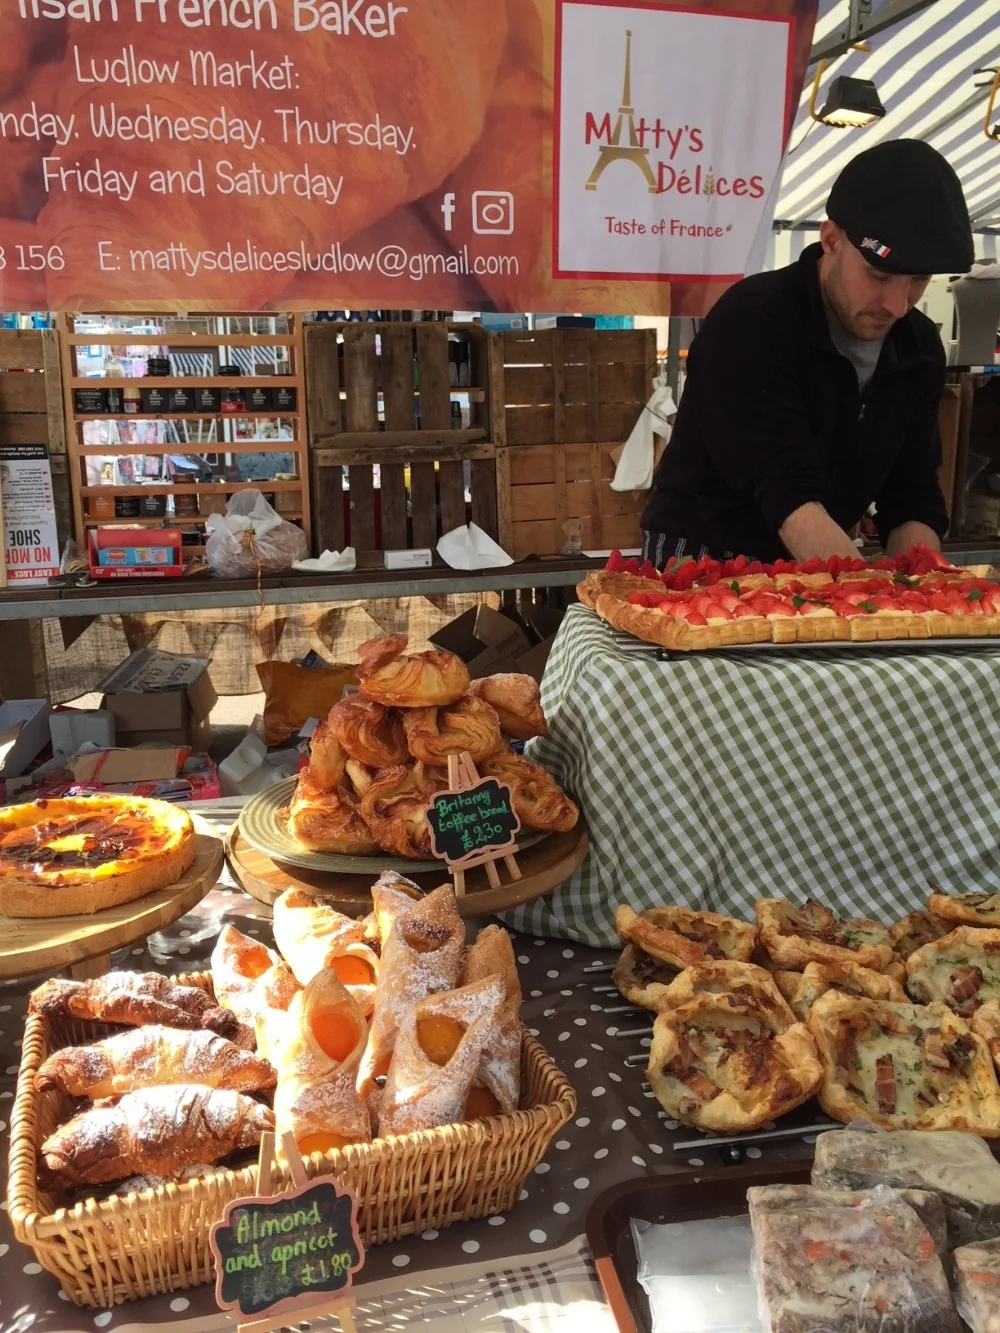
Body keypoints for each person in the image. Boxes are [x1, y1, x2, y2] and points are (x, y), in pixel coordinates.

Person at [640, 139, 974, 567]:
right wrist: (870, 601)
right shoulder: (752, 321)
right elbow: (785, 490)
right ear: (832, 240)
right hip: (704, 558)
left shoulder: (919, 347)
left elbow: (912, 493)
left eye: (919, 281)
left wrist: (926, 592)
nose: (897, 305)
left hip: (820, 556)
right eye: (879, 274)